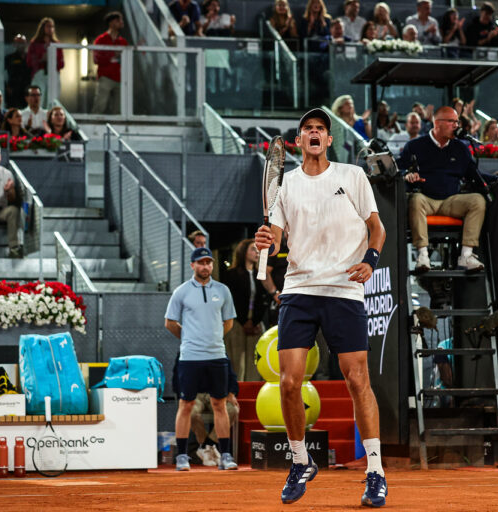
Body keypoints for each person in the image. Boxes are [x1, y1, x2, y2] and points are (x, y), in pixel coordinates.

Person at [254, 108, 387, 506]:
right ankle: (300, 461)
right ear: (299, 141)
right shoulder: (287, 186)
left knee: (356, 378)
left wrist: (372, 260)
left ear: (329, 140)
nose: (314, 133)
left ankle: (376, 471)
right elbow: (277, 239)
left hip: (345, 289)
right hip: (299, 290)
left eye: (320, 129)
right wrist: (267, 241)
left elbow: (376, 227)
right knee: (290, 381)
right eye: (307, 129)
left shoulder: (353, 176)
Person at [164, 247, 238, 472]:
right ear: (192, 266)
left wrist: (212, 339)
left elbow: (228, 322)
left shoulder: (223, 291)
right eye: (200, 263)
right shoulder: (181, 292)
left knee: (220, 404)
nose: (205, 266)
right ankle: (182, 457)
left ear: (212, 265)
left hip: (217, 356)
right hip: (190, 358)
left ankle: (225, 455)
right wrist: (190, 339)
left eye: (208, 262)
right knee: (186, 405)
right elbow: (170, 322)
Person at [399, 106, 488, 273]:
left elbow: (473, 174)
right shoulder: (415, 146)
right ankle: (423, 255)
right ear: (437, 123)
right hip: (426, 198)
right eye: (452, 122)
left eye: (457, 122)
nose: (456, 126)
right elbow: (399, 169)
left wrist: (497, 179)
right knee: (415, 200)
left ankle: (466, 255)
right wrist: (407, 175)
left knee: (477, 200)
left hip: (450, 200)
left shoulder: (460, 148)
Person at [221, 238, 267, 381]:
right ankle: (236, 396)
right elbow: (231, 301)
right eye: (253, 249)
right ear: (243, 252)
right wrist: (243, 321)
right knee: (237, 362)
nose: (257, 252)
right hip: (236, 323)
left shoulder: (261, 275)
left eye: (258, 249)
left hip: (256, 324)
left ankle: (252, 397)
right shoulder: (231, 275)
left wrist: (255, 321)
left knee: (254, 363)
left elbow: (263, 301)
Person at [92, 12, 128, 115]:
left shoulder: (123, 42)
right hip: (105, 77)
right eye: (118, 20)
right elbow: (96, 59)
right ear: (112, 23)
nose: (122, 23)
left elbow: (127, 61)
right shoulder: (101, 40)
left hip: (121, 79)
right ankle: (94, 127)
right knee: (100, 105)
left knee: (119, 109)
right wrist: (113, 55)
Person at [26, 18, 64, 106]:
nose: (50, 29)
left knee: (53, 100)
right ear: (43, 28)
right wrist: (41, 59)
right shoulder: (35, 43)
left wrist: (53, 60)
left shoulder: (57, 44)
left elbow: (62, 64)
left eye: (52, 26)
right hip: (40, 73)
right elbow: (29, 61)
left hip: (53, 74)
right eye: (48, 26)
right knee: (38, 99)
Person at [5, 34, 31, 109]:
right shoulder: (9, 58)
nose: (21, 45)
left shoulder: (30, 58)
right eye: (18, 43)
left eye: (22, 43)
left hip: (27, 90)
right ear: (14, 44)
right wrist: (6, 86)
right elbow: (0, 73)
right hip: (13, 91)